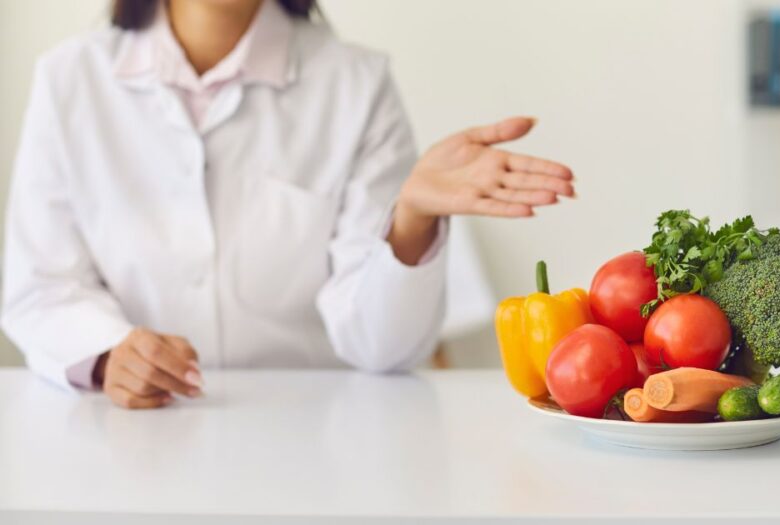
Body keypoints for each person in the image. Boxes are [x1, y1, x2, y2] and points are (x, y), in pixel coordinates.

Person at [1, 0, 575, 409]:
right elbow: (39, 287)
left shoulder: (356, 83)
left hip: (314, 436)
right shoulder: (69, 79)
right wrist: (106, 354)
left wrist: (412, 221)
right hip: (124, 435)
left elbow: (385, 349)